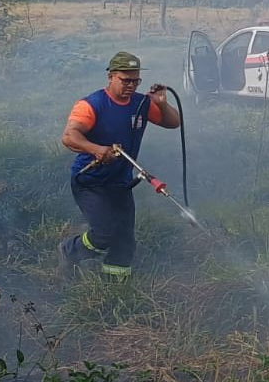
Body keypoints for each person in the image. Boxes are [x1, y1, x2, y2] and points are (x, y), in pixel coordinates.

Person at [59, 51, 181, 279]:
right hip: (91, 182)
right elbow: (69, 136)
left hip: (121, 183)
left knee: (125, 241)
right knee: (104, 234)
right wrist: (97, 149)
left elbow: (173, 123)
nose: (131, 86)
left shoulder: (141, 104)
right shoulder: (91, 105)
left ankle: (115, 287)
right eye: (125, 80)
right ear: (111, 76)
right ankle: (70, 250)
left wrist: (162, 104)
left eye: (136, 81)